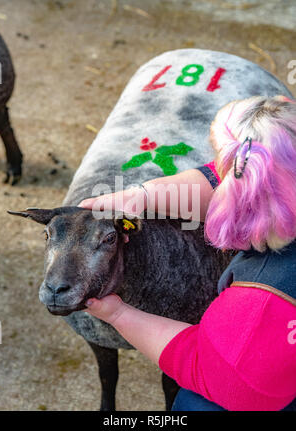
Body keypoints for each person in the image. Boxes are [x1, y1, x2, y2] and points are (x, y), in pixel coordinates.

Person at [79, 95, 296, 411]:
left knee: (197, 404)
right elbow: (232, 176)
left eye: (221, 160)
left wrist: (118, 315)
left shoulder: (262, 303)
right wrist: (142, 197)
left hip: (263, 392)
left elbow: (219, 375)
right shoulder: (283, 171)